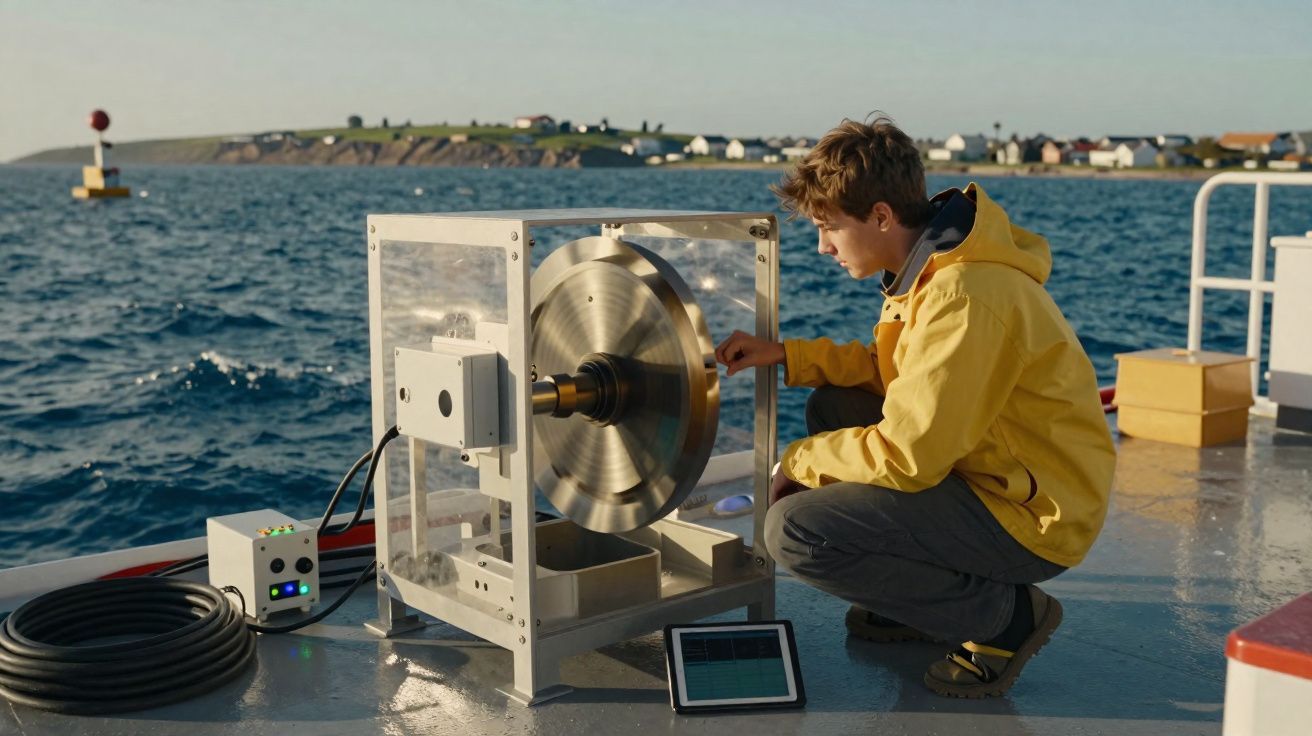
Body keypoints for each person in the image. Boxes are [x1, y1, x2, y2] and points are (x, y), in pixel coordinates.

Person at [714, 115, 1116, 698]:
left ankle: (1002, 618)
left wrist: (797, 461)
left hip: (1034, 516)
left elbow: (908, 454)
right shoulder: (934, 265)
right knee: (835, 407)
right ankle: (922, 599)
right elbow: (895, 370)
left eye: (829, 228)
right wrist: (787, 355)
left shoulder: (965, 295)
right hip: (995, 474)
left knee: (797, 532)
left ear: (881, 215)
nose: (822, 246)